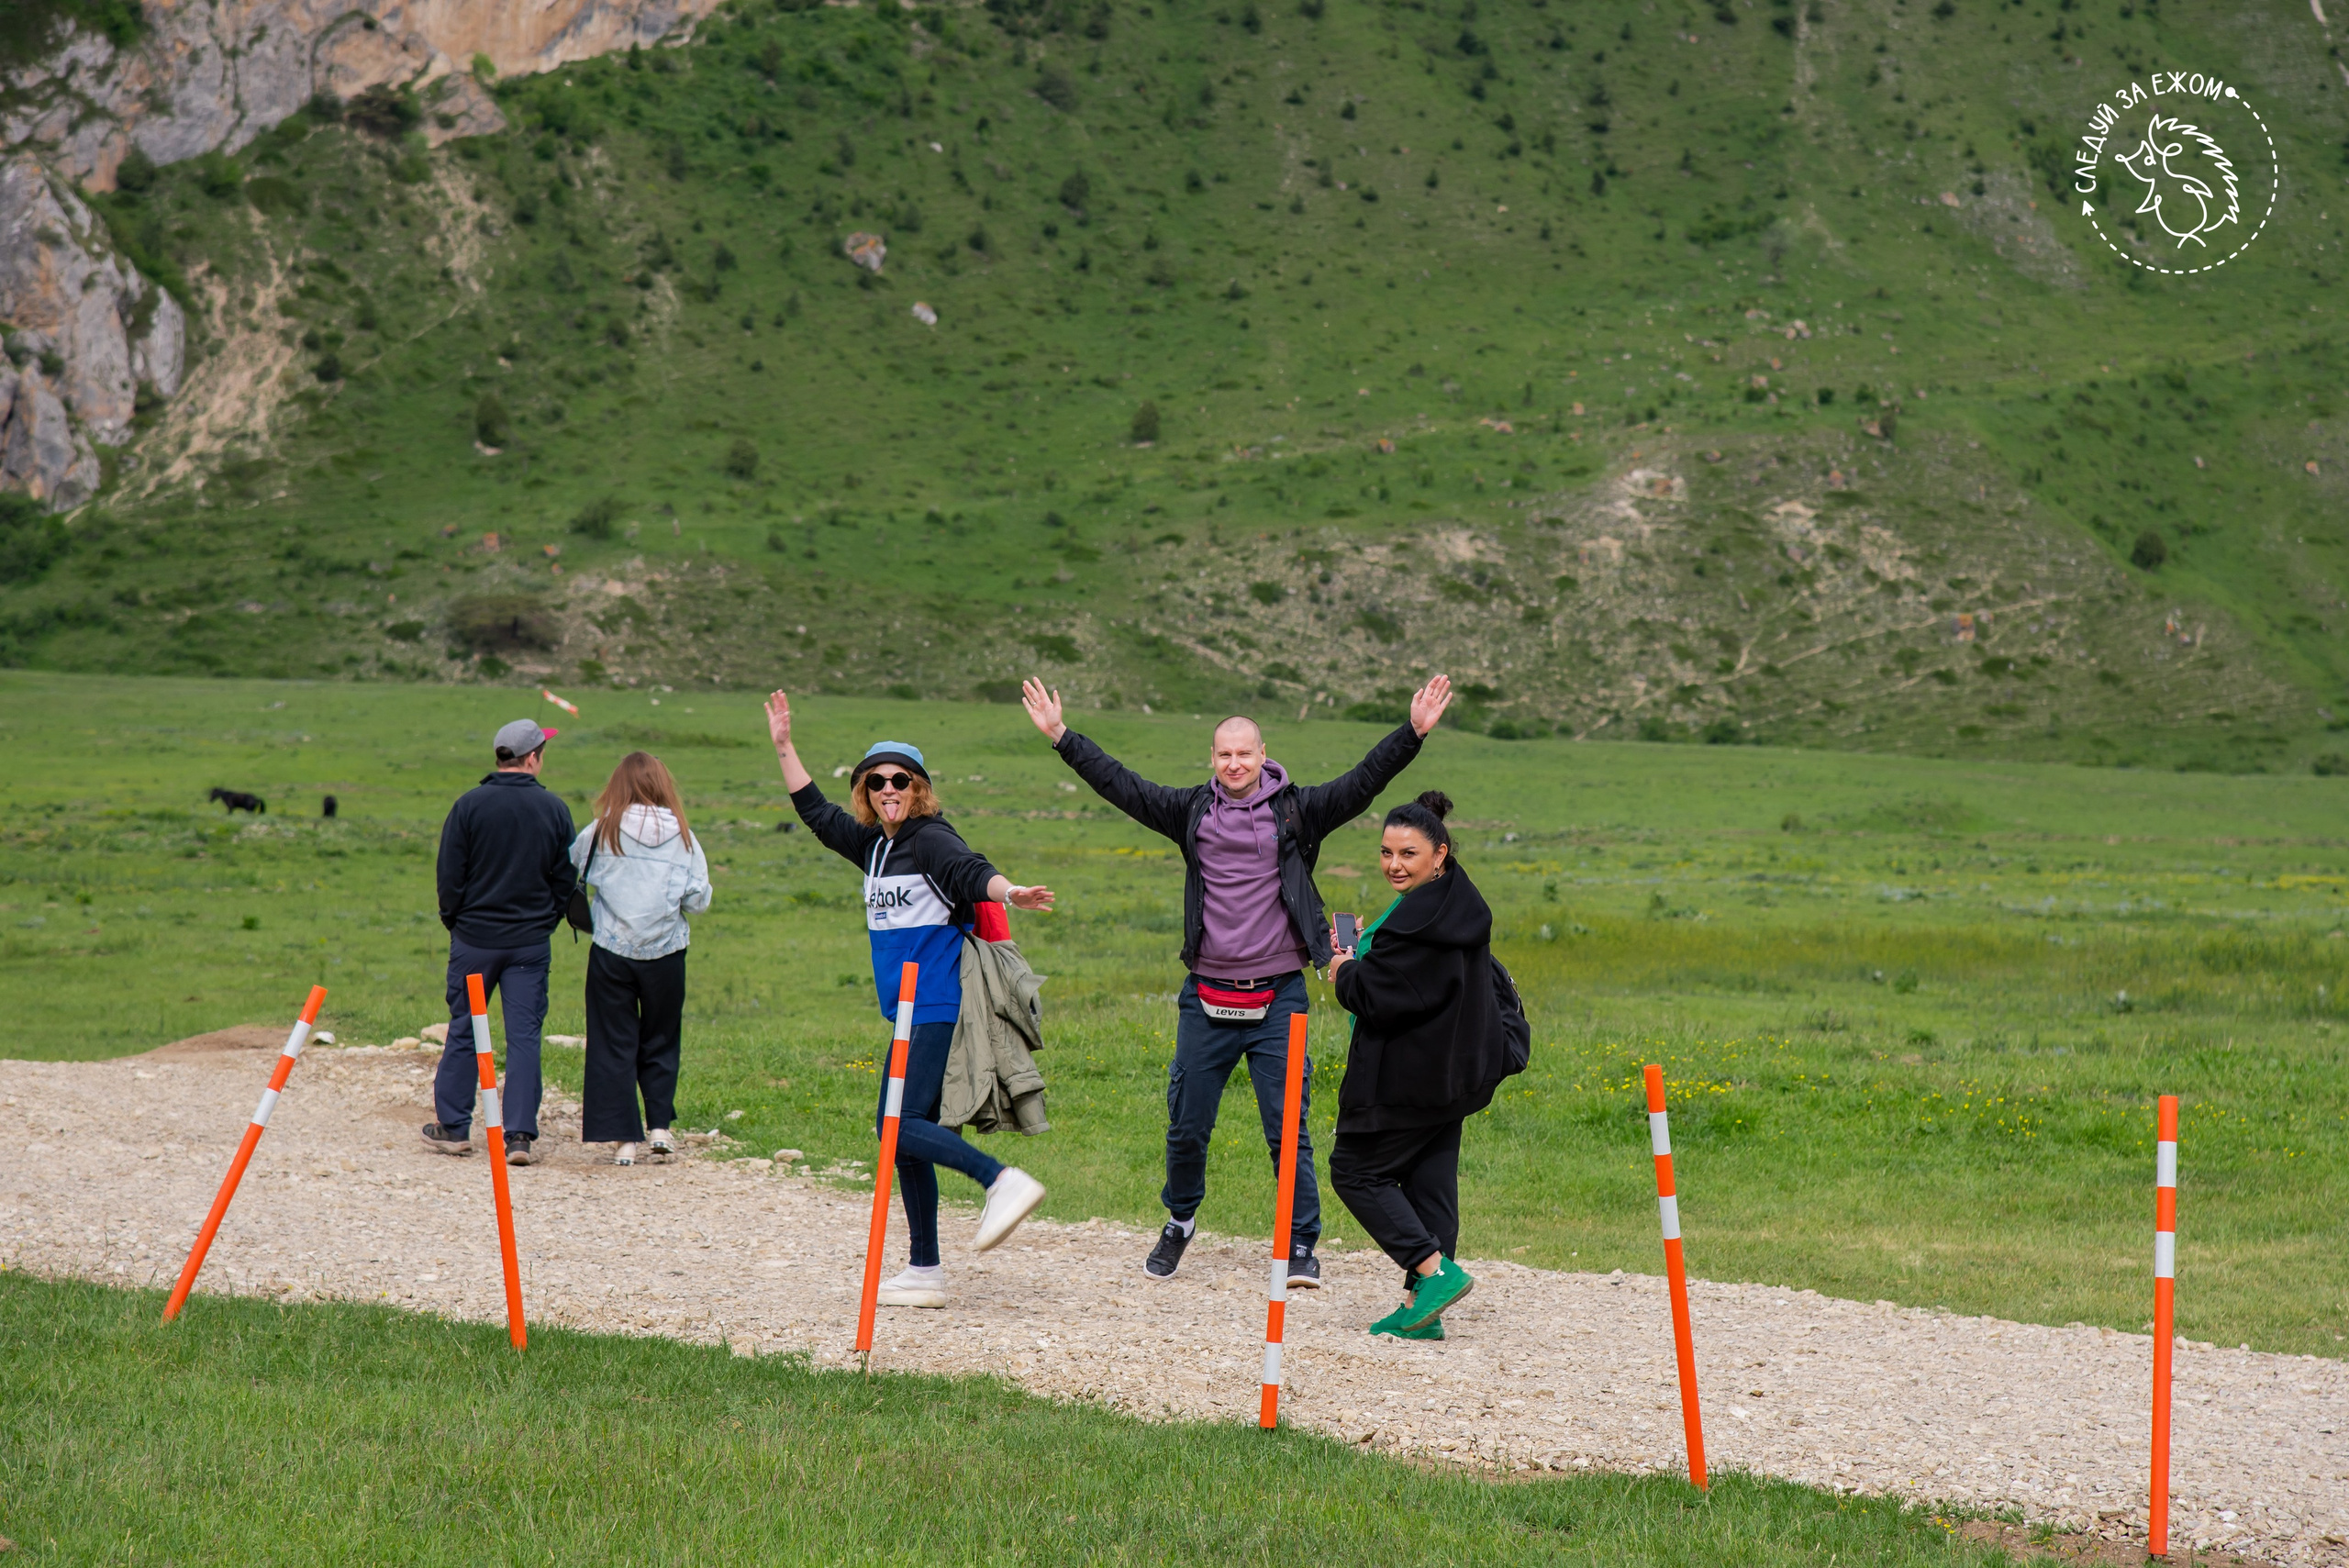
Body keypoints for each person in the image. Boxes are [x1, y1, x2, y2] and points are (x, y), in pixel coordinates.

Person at [1020, 673, 1454, 1285]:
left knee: (1288, 1128)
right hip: (1206, 996)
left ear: (1263, 756)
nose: (1234, 763)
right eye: (1224, 754)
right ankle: (1180, 1219)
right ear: (1213, 760)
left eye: (1244, 753)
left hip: (1279, 996)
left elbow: (1364, 781)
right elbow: (1121, 785)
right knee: (1187, 1124)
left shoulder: (1300, 811)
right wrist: (1062, 735)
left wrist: (1411, 733)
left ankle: (1301, 1242)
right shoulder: (1190, 810)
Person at [765, 689, 1056, 1307]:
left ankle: (1000, 1179)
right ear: (866, 791)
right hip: (904, 1011)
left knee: (895, 1127)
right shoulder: (873, 846)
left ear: (919, 787)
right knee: (901, 1134)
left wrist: (1011, 892)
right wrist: (785, 746)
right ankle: (925, 1268)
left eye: (900, 779)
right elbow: (816, 814)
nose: (888, 789)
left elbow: (972, 869)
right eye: (876, 782)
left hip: (936, 1003)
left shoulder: (928, 838)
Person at [1327, 790, 1508, 1341]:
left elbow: (1380, 996)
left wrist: (1342, 966)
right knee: (1430, 1184)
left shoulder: (1418, 922)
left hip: (1406, 1078)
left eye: (1408, 854)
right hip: (1455, 1073)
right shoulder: (1458, 901)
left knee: (1354, 1170)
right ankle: (1419, 1312)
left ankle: (1435, 1274)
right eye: (1386, 853)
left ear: (1440, 854)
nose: (1394, 865)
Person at [425, 718, 578, 1166]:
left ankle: (454, 1128)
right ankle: (519, 1138)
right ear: (532, 758)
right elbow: (565, 879)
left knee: (466, 1029)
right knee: (525, 1035)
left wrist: (455, 921)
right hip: (529, 943)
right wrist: (547, 921)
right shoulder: (554, 809)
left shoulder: (468, 805)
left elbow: (450, 875)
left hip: (475, 938)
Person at [570, 751, 713, 1168]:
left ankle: (624, 1140)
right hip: (666, 952)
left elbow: (575, 867)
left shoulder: (601, 830)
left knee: (612, 1041)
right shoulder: (685, 836)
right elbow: (698, 899)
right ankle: (660, 1128)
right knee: (661, 1037)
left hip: (611, 950)